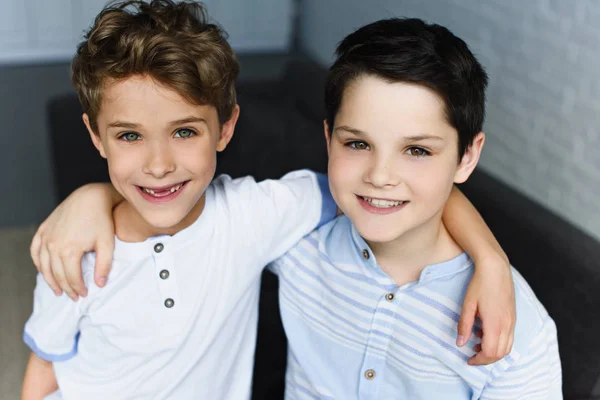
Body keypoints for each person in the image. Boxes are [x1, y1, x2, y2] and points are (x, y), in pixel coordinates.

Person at [24, 2, 516, 399]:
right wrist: (91, 197)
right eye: (129, 136)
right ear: (95, 136)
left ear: (226, 127)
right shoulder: (72, 251)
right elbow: (45, 366)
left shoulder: (255, 215)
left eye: (184, 131)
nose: (158, 164)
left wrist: (490, 259)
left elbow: (391, 190)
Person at [268, 18, 562, 399]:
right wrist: (490, 255)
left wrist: (491, 261)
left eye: (417, 150)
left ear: (467, 157)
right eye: (358, 144)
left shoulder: (517, 329)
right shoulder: (297, 236)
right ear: (329, 138)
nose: (380, 175)